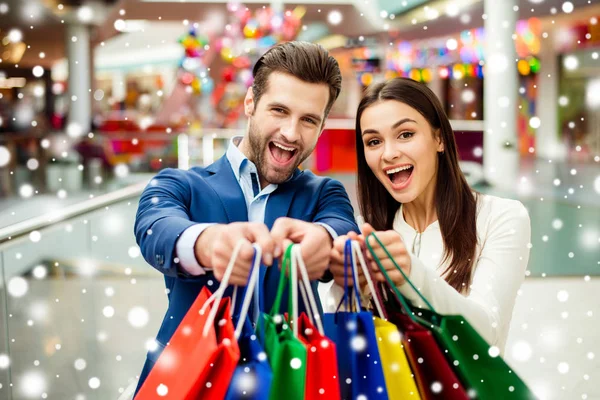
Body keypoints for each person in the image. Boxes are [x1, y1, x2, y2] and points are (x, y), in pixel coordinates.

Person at [133, 41, 358, 393]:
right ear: (250, 103)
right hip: (190, 383)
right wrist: (208, 244)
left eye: (309, 120)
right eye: (279, 110)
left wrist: (327, 243)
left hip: (291, 385)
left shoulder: (325, 193)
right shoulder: (180, 184)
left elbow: (341, 227)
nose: (291, 133)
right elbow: (155, 229)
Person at [329, 77, 531, 352]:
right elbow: (344, 342)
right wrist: (345, 285)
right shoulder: (369, 234)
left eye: (405, 134)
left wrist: (410, 274)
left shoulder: (502, 218)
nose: (388, 153)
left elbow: (487, 334)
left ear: (439, 138)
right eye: (374, 141)